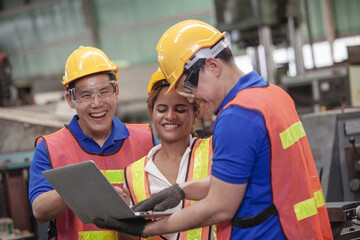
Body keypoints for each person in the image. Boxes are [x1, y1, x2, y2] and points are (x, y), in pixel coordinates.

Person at [94, 20, 333, 239]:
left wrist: (147, 228)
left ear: (212, 65)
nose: (193, 97)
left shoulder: (237, 117)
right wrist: (181, 190)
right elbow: (244, 179)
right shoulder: (274, 96)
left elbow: (218, 207)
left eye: (188, 86)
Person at [28, 46, 155, 240]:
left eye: (104, 92)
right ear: (70, 100)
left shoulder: (146, 138)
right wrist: (81, 188)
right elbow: (39, 210)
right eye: (86, 95)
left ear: (116, 92)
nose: (97, 103)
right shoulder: (50, 147)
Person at [119, 69, 231, 240]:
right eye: (162, 109)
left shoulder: (216, 151)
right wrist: (122, 215)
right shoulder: (132, 174)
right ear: (152, 113)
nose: (170, 116)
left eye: (180, 109)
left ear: (196, 114)